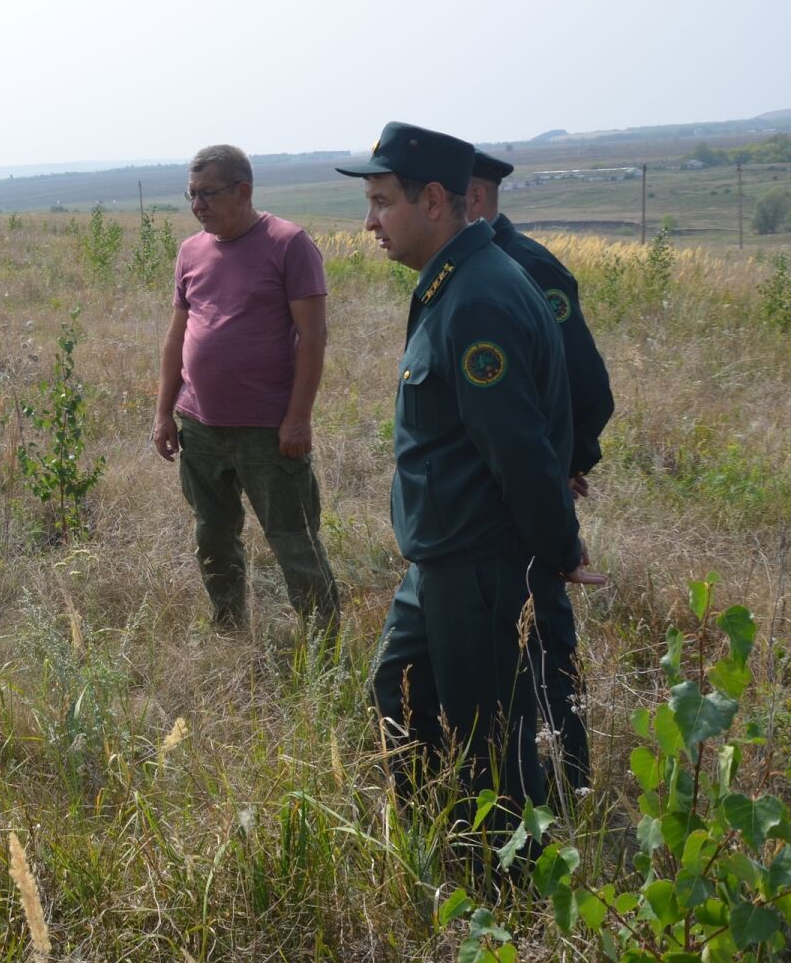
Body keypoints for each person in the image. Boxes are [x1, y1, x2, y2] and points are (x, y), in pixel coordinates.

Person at [342, 122, 604, 819]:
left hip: (481, 563)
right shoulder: (454, 283)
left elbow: (518, 448)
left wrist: (557, 547)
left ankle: (506, 888)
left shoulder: (480, 296)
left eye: (380, 202)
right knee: (400, 694)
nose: (368, 223)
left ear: (433, 200)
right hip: (442, 558)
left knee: (489, 743)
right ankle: (441, 847)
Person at [467, 148, 615, 794]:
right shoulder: (470, 271)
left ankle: (572, 779)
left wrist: (566, 462)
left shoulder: (526, 268)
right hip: (488, 497)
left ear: (472, 197)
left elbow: (587, 384)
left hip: (529, 494)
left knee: (546, 639)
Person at [153, 144, 341, 638]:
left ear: (244, 191)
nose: (198, 205)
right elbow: (177, 337)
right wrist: (164, 413)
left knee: (292, 539)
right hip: (200, 426)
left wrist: (298, 418)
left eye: (208, 194)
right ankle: (229, 626)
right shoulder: (190, 251)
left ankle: (323, 644)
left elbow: (314, 337)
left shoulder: (288, 243)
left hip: (268, 430)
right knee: (213, 536)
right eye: (191, 195)